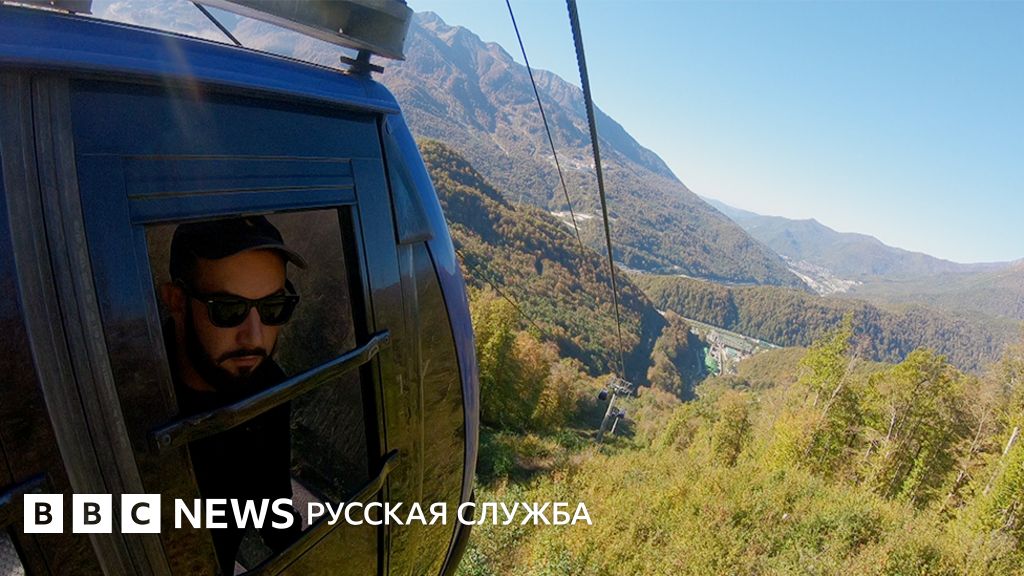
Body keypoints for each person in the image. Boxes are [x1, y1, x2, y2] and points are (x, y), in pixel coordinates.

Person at [160, 215, 306, 574]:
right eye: (227, 309)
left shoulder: (269, 391)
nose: (254, 337)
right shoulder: (133, 396)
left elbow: (273, 508)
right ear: (176, 301)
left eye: (273, 308)